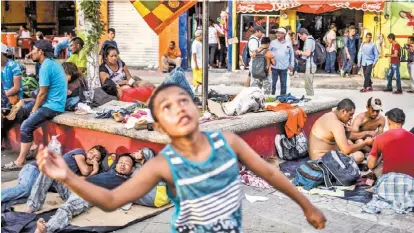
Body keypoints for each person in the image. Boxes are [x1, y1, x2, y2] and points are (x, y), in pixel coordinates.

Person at [36, 83, 327, 232]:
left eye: (184, 102)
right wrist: (66, 176)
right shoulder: (162, 164)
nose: (181, 111)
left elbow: (270, 173)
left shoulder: (226, 140)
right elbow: (111, 200)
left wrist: (306, 205)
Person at [1, 40, 67, 171]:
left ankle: (20, 161)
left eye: (34, 50)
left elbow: (42, 94)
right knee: (20, 112)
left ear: (41, 52)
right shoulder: (51, 63)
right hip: (48, 102)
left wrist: (34, 110)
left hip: (53, 106)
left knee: (26, 125)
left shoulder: (46, 66)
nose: (31, 53)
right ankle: (32, 146)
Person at [34, 154, 136, 233]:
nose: (122, 164)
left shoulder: (125, 181)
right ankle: (33, 205)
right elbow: (112, 156)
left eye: (127, 163)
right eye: (120, 162)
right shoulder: (111, 170)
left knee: (67, 207)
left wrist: (139, 157)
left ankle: (47, 229)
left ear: (132, 169)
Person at [1, 146, 107, 203]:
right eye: (91, 152)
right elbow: (85, 171)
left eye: (96, 157)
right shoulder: (80, 153)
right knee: (25, 189)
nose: (91, 156)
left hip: (42, 181)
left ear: (98, 162)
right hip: (35, 170)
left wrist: (94, 172)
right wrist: (94, 170)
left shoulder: (83, 173)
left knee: (27, 196)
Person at [308, 98, 374, 164]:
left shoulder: (329, 115)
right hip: (321, 161)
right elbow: (346, 150)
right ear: (343, 111)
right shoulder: (336, 123)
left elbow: (341, 142)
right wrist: (366, 142)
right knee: (359, 156)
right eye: (350, 114)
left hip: (324, 155)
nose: (351, 118)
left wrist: (348, 132)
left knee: (351, 145)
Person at [368, 108, 414, 178]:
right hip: (410, 180)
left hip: (388, 179)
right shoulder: (412, 136)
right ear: (403, 122)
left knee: (371, 160)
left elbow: (371, 165)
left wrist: (381, 156)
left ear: (388, 122)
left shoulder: (380, 138)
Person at [270, 28, 294, 95]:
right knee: (273, 83)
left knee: (283, 83)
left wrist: (291, 64)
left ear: (284, 34)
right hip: (274, 67)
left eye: (279, 33)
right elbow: (268, 53)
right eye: (277, 33)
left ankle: (282, 98)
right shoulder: (273, 42)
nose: (277, 34)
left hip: (284, 67)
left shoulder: (288, 43)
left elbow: (291, 54)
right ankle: (271, 97)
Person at [296, 28, 316, 96]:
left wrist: (300, 52)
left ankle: (311, 100)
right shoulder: (310, 40)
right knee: (308, 84)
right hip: (310, 65)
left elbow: (307, 53)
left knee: (308, 85)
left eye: (300, 36)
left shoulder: (309, 40)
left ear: (304, 34)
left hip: (310, 66)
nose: (300, 38)